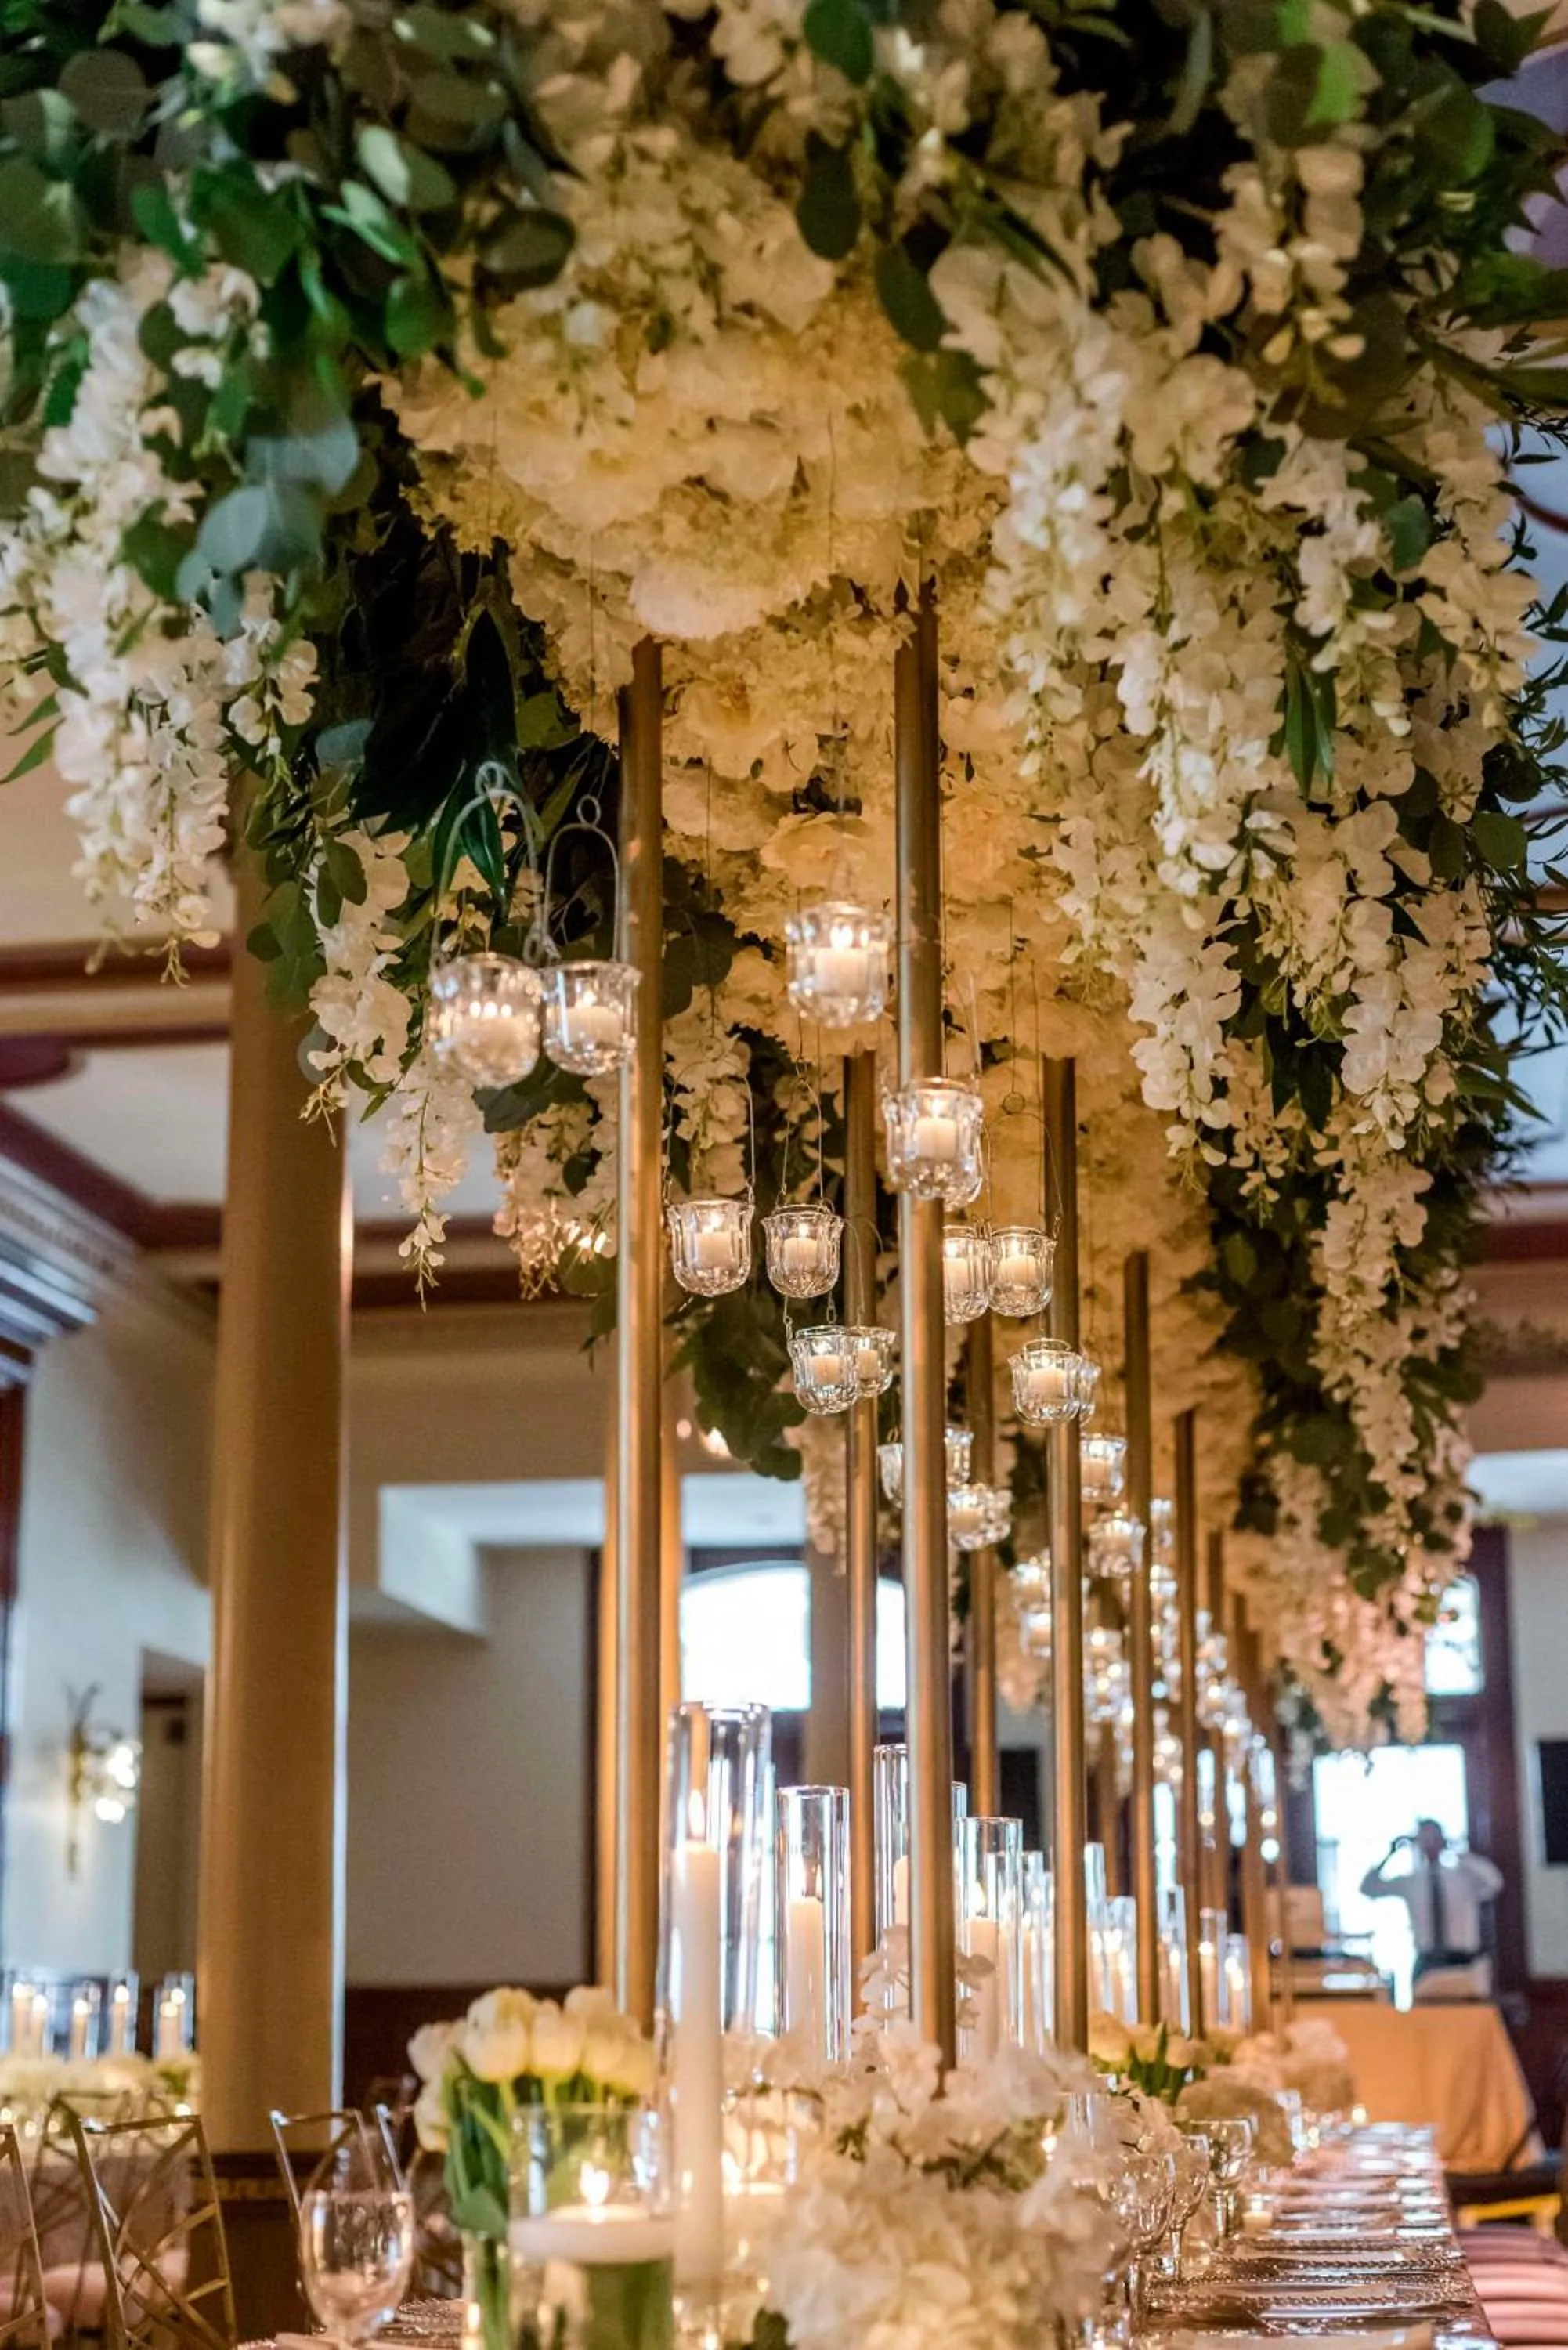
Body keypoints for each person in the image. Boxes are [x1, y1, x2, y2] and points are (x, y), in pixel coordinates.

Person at [1359, 1819, 1503, 1998]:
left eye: (1434, 1837)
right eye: (1425, 1838)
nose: (1430, 1843)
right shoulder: (1411, 1881)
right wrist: (1391, 1853)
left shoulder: (1463, 1876)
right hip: (1427, 1962)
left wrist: (1455, 1850)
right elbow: (1369, 1888)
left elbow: (1494, 1882)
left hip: (1464, 1963)